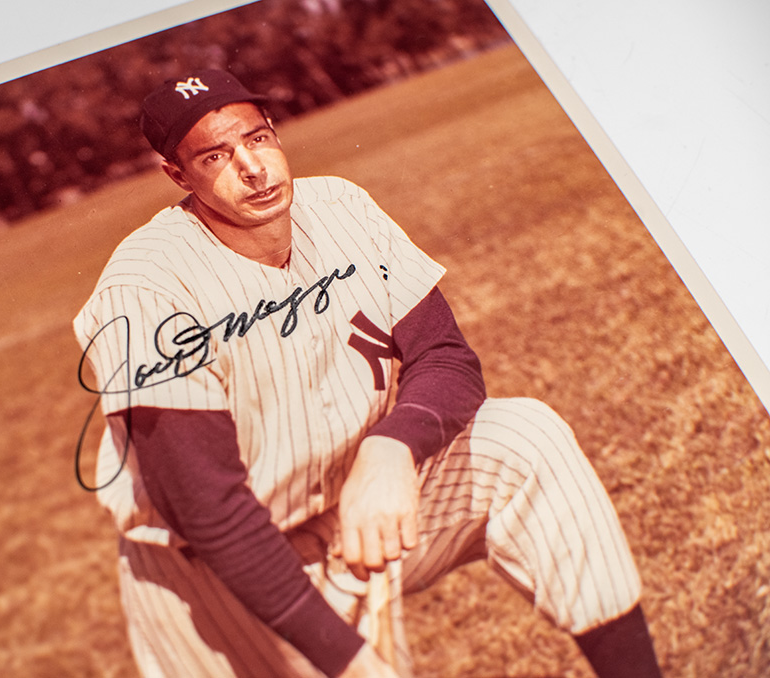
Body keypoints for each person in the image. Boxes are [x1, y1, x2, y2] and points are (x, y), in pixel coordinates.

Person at [73, 69, 662, 678]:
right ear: (178, 175)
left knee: (523, 437)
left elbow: (445, 357)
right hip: (219, 575)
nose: (252, 168)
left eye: (258, 138)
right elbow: (210, 509)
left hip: (357, 509)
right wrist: (350, 663)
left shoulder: (339, 206)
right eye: (217, 155)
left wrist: (391, 449)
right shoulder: (144, 290)